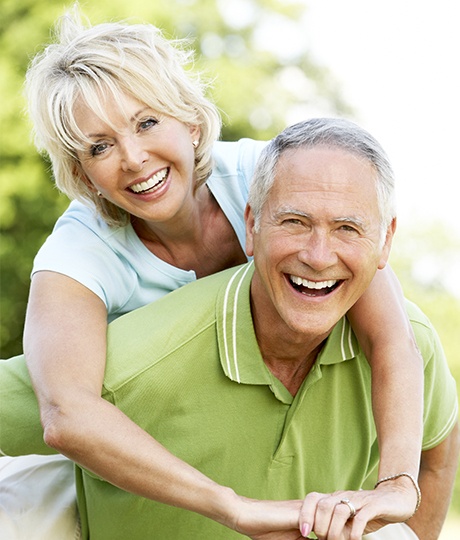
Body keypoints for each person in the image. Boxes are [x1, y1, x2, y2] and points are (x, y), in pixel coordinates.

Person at [0, 6, 423, 539]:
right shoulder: (77, 252)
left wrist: (399, 482)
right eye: (99, 147)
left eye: (147, 122)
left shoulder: (273, 178)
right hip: (146, 472)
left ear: (191, 121)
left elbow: (393, 337)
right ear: (80, 171)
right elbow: (66, 413)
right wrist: (235, 508)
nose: (132, 157)